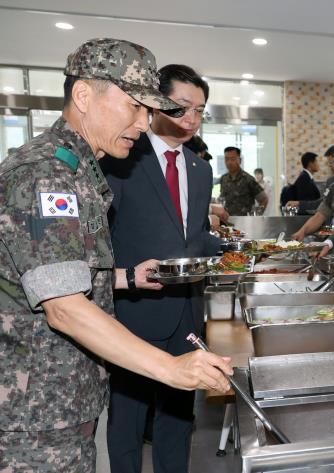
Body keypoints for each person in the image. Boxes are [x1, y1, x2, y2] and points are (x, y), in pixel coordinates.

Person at [0, 38, 232, 473]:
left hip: (66, 399)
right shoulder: (46, 175)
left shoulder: (79, 170)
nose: (144, 123)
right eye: (134, 107)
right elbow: (65, 309)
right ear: (84, 96)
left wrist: (125, 277)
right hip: (33, 416)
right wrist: (173, 370)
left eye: (149, 110)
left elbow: (58, 272)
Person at [100, 64, 222, 473]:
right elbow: (101, 235)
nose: (191, 119)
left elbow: (195, 238)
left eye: (200, 111)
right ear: (155, 103)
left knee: (177, 424)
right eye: (181, 107)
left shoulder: (200, 169)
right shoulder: (121, 158)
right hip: (133, 312)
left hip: (186, 313)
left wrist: (237, 255)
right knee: (128, 427)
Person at [290, 145, 334, 214]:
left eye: (331, 163)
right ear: (311, 164)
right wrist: (300, 204)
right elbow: (323, 202)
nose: (331, 167)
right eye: (330, 164)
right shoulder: (304, 178)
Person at [219, 146, 268, 215]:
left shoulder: (248, 179)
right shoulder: (223, 179)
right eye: (226, 159)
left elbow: (264, 199)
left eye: (233, 159)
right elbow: (222, 200)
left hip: (245, 222)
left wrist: (257, 215)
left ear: (240, 160)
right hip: (226, 222)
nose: (229, 162)